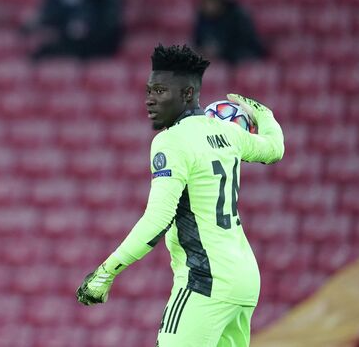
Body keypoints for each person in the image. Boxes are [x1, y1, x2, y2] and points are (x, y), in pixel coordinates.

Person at [76, 45, 284, 346]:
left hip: (205, 280)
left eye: (160, 91)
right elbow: (274, 149)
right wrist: (265, 114)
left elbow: (158, 219)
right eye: (149, 90)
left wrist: (106, 271)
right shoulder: (229, 133)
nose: (150, 99)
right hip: (244, 281)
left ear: (187, 94)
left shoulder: (171, 142)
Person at [26, 0, 123, 60]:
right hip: (65, 40)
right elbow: (50, 11)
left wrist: (89, 30)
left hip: (97, 45)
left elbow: (110, 20)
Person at [192, 0, 266, 65]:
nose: (208, 6)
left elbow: (244, 42)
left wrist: (220, 50)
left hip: (241, 57)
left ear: (219, 2)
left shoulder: (236, 15)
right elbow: (198, 41)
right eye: (205, 3)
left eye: (211, 2)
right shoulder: (203, 17)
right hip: (216, 60)